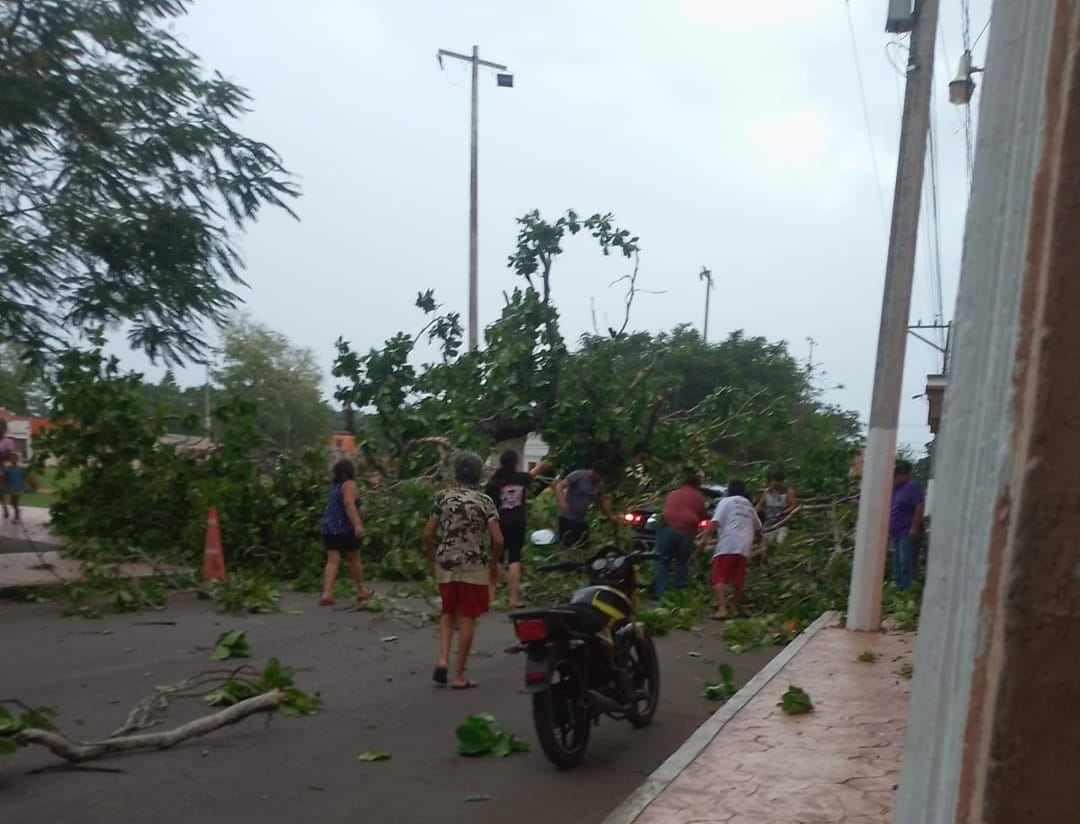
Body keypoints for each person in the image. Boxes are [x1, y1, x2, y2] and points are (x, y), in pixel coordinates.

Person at [424, 451, 504, 690]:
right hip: (473, 564)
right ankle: (459, 675)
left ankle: (442, 660)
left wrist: (431, 558)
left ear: (456, 472)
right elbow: (498, 540)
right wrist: (494, 563)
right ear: (479, 474)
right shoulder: (485, 501)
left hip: (446, 563)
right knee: (467, 616)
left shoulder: (442, 498)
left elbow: (428, 534)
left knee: (448, 611)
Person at [485, 451, 549, 609]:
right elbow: (533, 473)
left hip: (499, 522)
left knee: (497, 558)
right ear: (515, 462)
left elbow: (487, 504)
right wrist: (543, 465)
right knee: (514, 559)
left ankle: (490, 598)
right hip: (518, 522)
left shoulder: (494, 482)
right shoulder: (521, 478)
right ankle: (513, 599)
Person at [319, 458, 372, 606]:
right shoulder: (349, 484)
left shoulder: (335, 485)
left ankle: (327, 592)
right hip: (344, 528)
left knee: (332, 560)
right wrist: (358, 525)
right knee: (354, 559)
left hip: (329, 527)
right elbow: (349, 504)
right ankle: (361, 589)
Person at [708, 480, 761, 620]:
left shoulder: (726, 501)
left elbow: (714, 522)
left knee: (718, 577)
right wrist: (760, 541)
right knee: (738, 578)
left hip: (728, 543)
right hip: (745, 545)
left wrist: (703, 540)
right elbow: (758, 527)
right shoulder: (748, 504)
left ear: (729, 490)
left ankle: (722, 609)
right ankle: (736, 607)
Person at [652, 471, 707, 599]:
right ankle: (679, 594)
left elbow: (665, 510)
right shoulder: (699, 497)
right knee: (682, 562)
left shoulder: (673, 493)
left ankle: (658, 593)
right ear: (697, 485)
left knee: (662, 561)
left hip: (667, 528)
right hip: (686, 533)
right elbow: (701, 516)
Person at [555, 460, 620, 548]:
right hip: (567, 518)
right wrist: (562, 501)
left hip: (580, 520)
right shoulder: (578, 475)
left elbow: (602, 501)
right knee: (568, 546)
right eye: (599, 476)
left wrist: (610, 516)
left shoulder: (599, 484)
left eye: (602, 477)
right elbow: (559, 486)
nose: (600, 478)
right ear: (594, 471)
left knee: (584, 545)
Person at [889, 460, 925, 591]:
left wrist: (914, 528)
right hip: (896, 533)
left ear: (903, 475)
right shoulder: (894, 489)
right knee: (897, 563)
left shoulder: (912, 486)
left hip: (907, 532)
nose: (893, 478)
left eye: (896, 475)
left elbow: (919, 507)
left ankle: (908, 590)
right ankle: (899, 589)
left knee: (906, 563)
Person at [756, 471, 797, 547]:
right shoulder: (767, 492)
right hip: (768, 524)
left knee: (780, 543)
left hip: (782, 523)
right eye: (774, 481)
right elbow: (760, 505)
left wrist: (784, 512)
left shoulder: (788, 492)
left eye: (778, 481)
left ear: (782, 482)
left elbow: (793, 506)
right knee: (766, 545)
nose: (775, 484)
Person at [3, 452, 26, 523]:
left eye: (15, 458)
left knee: (15, 503)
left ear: (17, 459)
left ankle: (16, 517)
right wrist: (6, 486)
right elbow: (5, 478)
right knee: (12, 503)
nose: (13, 459)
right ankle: (17, 512)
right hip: (11, 488)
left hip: (19, 488)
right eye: (11, 458)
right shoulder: (8, 469)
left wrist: (24, 485)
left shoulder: (21, 468)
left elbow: (24, 478)